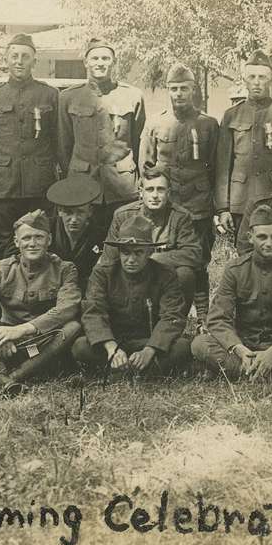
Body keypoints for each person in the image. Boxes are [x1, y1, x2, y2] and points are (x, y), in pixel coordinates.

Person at [0, 211, 83, 394]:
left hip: (45, 342)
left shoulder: (65, 269)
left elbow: (67, 308)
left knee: (72, 327)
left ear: (49, 240)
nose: (32, 243)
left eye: (39, 237)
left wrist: (22, 329)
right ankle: (1, 375)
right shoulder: (3, 268)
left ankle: (14, 377)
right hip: (8, 345)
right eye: (26, 238)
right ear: (17, 242)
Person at [190, 204, 272, 379]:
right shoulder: (235, 270)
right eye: (262, 237)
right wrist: (240, 349)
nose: (269, 243)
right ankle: (270, 374)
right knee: (199, 344)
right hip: (245, 344)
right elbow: (218, 318)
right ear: (250, 238)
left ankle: (243, 373)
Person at [137, 63, 218, 319]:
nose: (179, 94)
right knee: (162, 259)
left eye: (184, 88)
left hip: (198, 205)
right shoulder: (156, 123)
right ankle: (167, 314)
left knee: (199, 262)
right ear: (167, 91)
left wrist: (215, 206)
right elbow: (146, 166)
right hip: (167, 207)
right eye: (174, 89)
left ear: (193, 89)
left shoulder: (208, 125)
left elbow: (216, 167)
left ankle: (203, 316)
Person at [71, 214, 192, 378]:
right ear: (119, 252)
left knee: (183, 347)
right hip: (113, 340)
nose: (131, 259)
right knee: (80, 347)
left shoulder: (165, 274)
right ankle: (142, 373)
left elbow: (172, 315)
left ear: (150, 252)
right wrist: (111, 347)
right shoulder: (103, 274)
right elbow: (93, 311)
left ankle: (118, 373)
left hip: (148, 340)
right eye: (125, 253)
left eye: (138, 253)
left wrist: (150, 350)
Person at [0, 33, 61, 256]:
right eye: (14, 55)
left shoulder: (50, 95)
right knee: (4, 245)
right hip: (3, 187)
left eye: (25, 56)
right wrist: (4, 165)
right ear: (6, 59)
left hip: (39, 186)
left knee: (40, 242)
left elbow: (57, 140)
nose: (19, 60)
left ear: (34, 61)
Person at [57, 38, 145, 237]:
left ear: (113, 62)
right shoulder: (68, 97)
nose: (100, 63)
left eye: (105, 58)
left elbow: (138, 142)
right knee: (86, 241)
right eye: (95, 58)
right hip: (83, 183)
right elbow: (63, 145)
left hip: (122, 186)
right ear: (86, 63)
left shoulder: (132, 96)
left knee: (124, 238)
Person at [214, 50, 272, 241]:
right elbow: (222, 166)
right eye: (251, 77)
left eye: (262, 77)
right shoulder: (231, 115)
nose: (256, 82)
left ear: (271, 80)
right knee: (244, 252)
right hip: (240, 201)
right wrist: (223, 208)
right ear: (244, 80)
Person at [101, 165, 203, 314]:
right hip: (129, 277)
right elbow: (108, 259)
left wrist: (153, 259)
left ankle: (174, 320)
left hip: (161, 279)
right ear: (141, 192)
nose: (155, 195)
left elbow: (194, 253)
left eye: (160, 189)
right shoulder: (123, 215)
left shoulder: (180, 216)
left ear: (168, 193)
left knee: (185, 274)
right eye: (150, 189)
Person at [46, 174, 106, 293]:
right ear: (59, 211)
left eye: (80, 212)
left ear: (90, 212)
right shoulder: (46, 229)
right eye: (68, 213)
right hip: (51, 290)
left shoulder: (100, 235)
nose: (74, 219)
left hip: (87, 290)